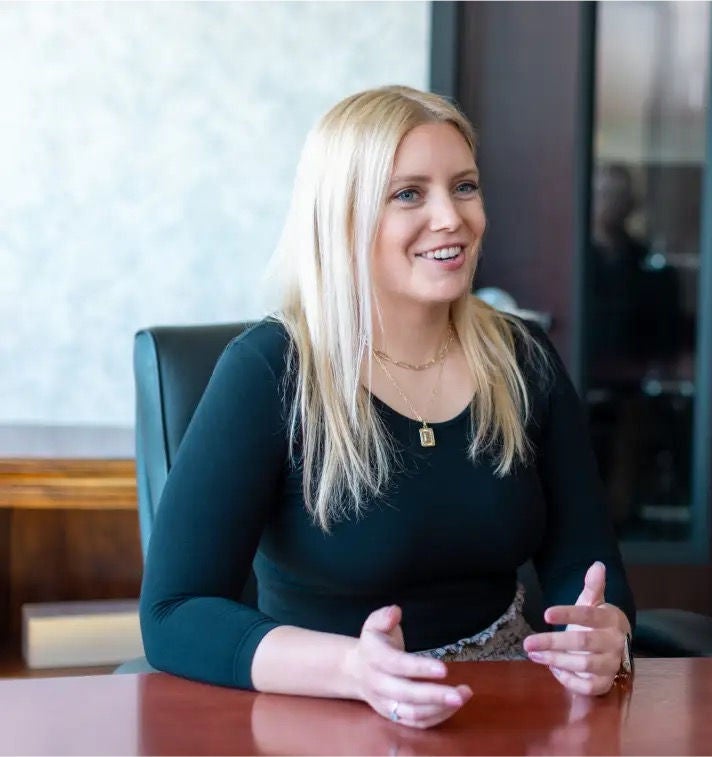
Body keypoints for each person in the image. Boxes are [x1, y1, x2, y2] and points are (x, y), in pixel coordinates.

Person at [139, 85, 635, 730]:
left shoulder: (522, 356)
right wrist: (353, 669)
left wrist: (602, 636)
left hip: (505, 703)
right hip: (321, 710)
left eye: (464, 187)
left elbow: (585, 563)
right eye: (408, 194)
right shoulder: (269, 370)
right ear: (340, 215)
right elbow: (174, 612)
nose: (451, 217)